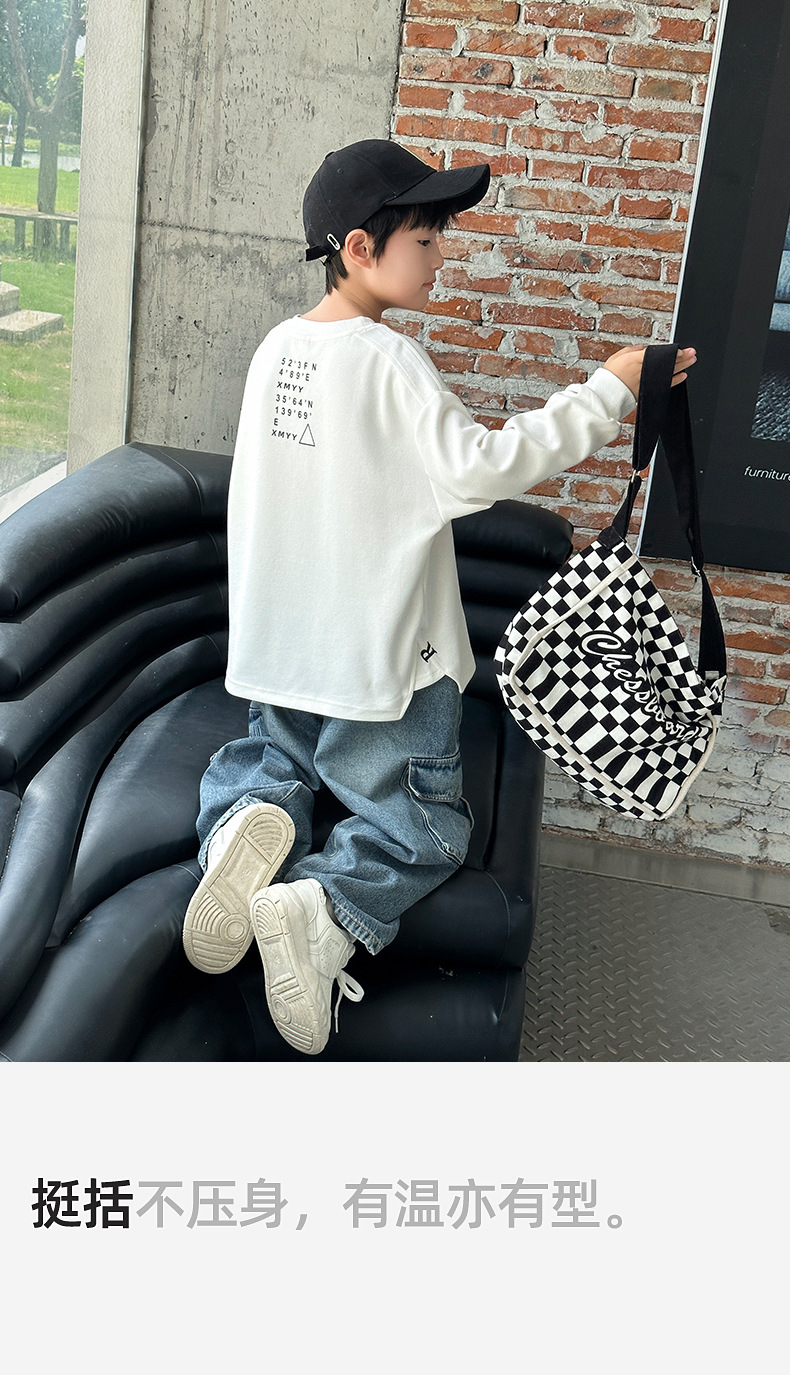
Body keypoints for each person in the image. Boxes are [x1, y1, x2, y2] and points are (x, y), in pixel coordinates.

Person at [181, 138, 697, 1056]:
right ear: (358, 249)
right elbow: (484, 469)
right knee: (424, 829)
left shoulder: (276, 351)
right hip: (385, 673)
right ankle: (320, 907)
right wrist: (609, 391)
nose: (442, 255)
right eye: (426, 238)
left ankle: (236, 836)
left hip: (282, 657)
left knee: (270, 761)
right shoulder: (389, 361)